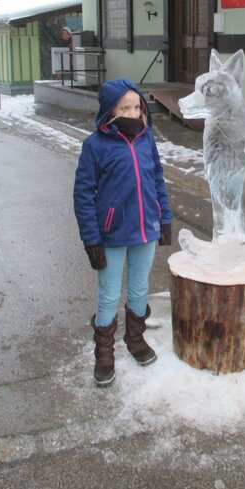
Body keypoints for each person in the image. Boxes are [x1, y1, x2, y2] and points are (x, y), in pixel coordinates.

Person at [73, 78, 173, 387]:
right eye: (124, 108)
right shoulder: (95, 146)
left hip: (145, 230)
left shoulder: (146, 139)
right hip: (111, 234)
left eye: (136, 107)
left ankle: (135, 340)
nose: (132, 113)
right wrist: (91, 239)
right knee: (108, 294)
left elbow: (157, 179)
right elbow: (83, 195)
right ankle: (104, 354)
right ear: (110, 110)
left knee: (139, 288)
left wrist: (164, 217)